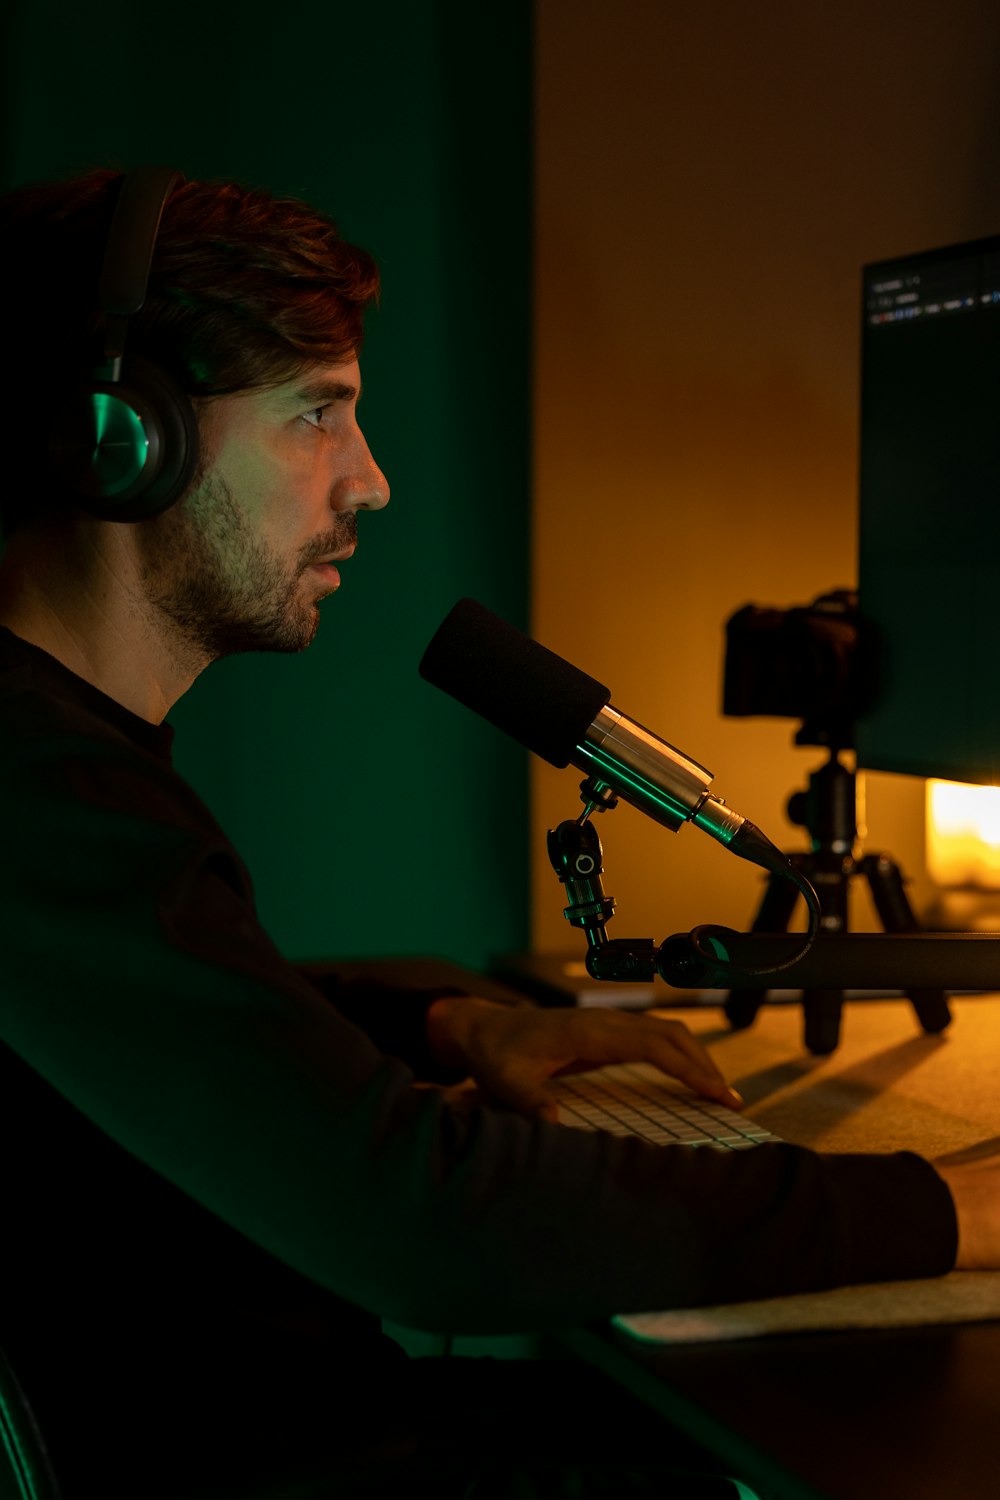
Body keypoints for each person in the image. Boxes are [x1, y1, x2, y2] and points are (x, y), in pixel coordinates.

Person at [0, 166, 993, 1500]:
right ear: (122, 435)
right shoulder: (38, 791)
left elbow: (195, 1019)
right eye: (318, 416)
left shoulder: (65, 772)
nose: (373, 481)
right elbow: (416, 1217)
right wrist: (943, 1207)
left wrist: (457, 1026)